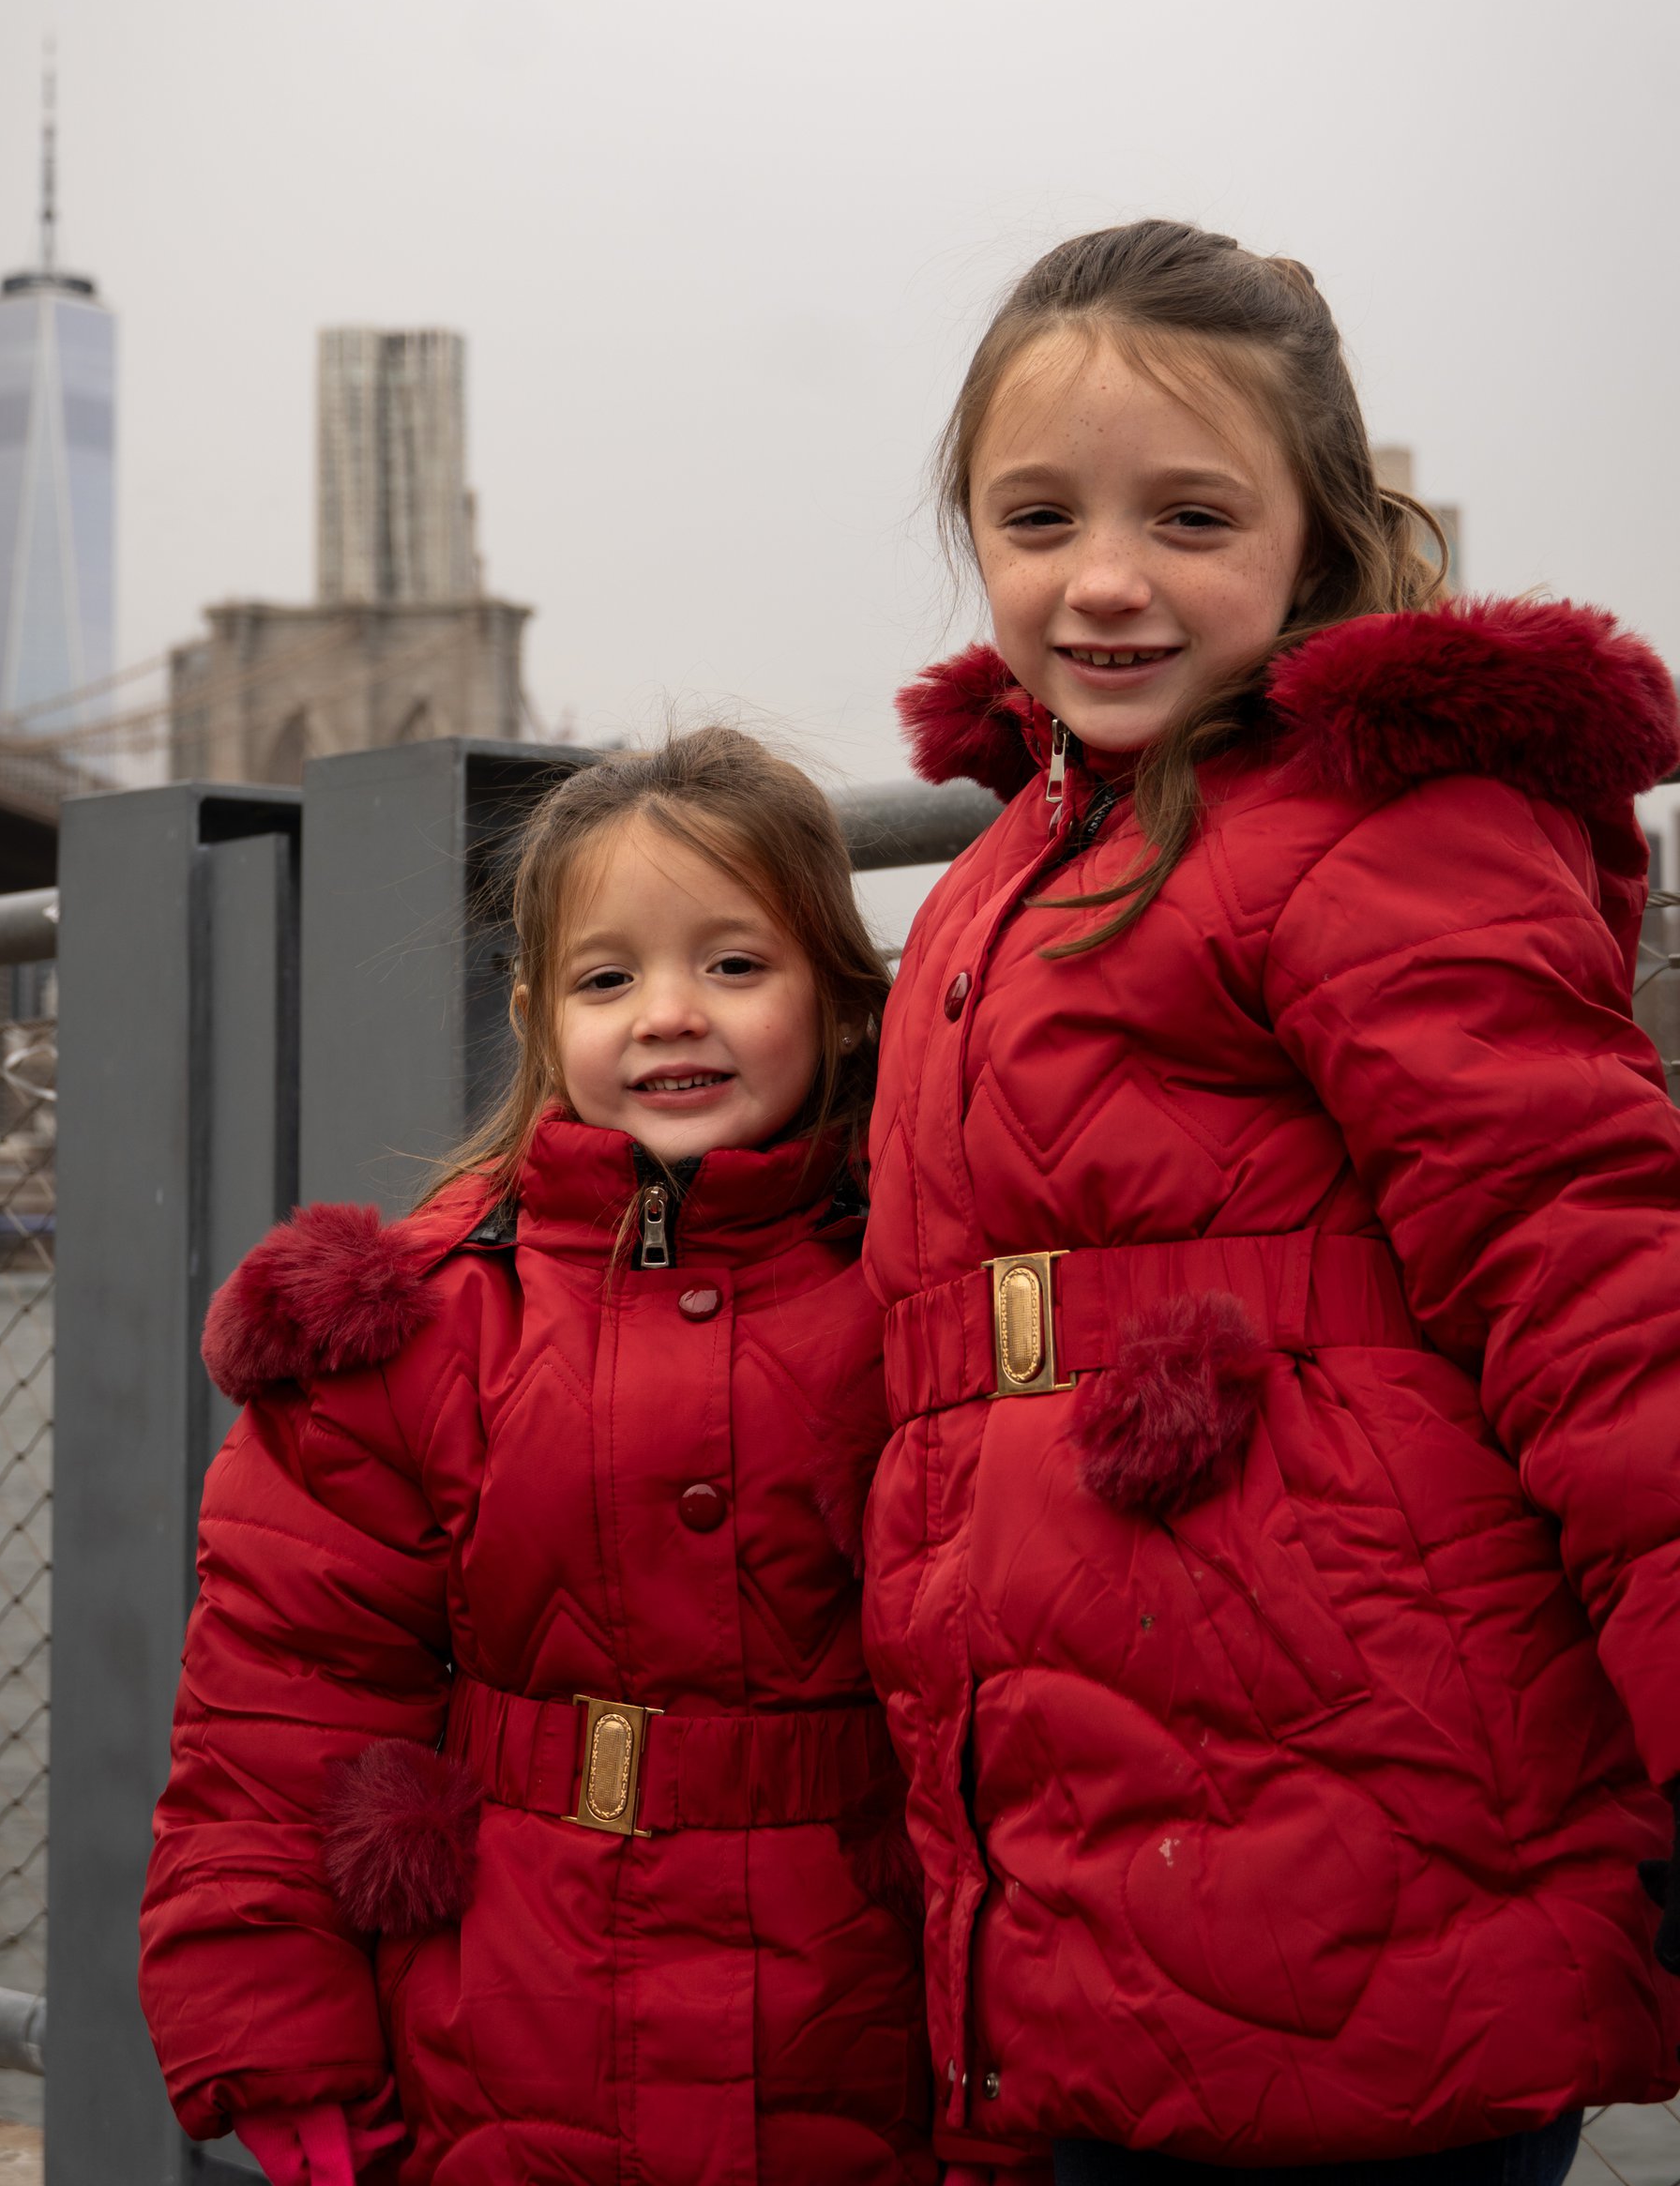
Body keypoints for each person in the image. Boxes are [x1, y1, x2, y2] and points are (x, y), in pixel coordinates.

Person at [860, 220, 1680, 2186]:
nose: (1105, 577)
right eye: (1038, 517)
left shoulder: (1380, 830)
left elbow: (1595, 1283)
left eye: (1192, 517)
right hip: (1087, 1859)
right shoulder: (992, 888)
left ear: (1314, 539)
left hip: (1374, 1852)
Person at [139, 728, 935, 2186]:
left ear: (838, 1002)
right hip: (511, 2029)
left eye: (735, 965)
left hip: (867, 2027)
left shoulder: (924, 1296)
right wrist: (282, 2040)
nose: (670, 1015)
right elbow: (280, 1711)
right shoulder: (416, 1327)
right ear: (535, 1016)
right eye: (606, 979)